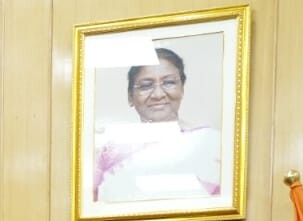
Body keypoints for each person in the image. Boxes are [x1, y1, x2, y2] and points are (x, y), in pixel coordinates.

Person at [93, 48, 222, 202]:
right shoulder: (107, 152)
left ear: (181, 89)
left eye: (169, 83)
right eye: (146, 86)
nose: (158, 95)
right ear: (130, 97)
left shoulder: (210, 142)